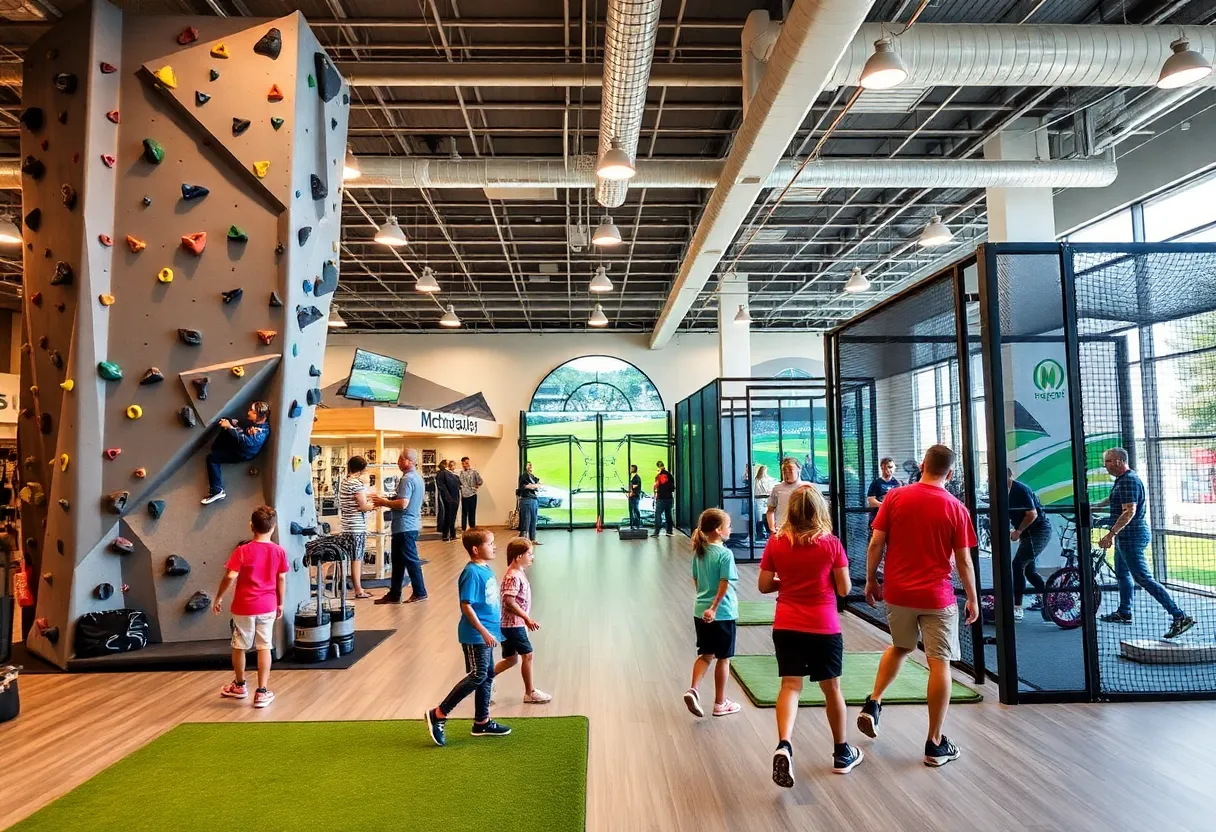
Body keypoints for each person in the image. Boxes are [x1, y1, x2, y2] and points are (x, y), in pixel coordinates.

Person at [859, 444, 979, 768]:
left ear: (922, 465)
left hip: (898, 593)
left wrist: (870, 580)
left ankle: (874, 702)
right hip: (937, 597)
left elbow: (876, 543)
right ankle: (934, 743)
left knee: (900, 647)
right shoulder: (957, 508)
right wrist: (972, 597)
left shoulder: (895, 497)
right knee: (939, 663)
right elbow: (964, 562)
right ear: (950, 474)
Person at [759, 486, 862, 787]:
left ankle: (784, 744)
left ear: (790, 512)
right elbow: (844, 589)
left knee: (790, 686)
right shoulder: (831, 544)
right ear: (820, 510)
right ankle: (841, 753)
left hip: (787, 625)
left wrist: (789, 582)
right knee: (832, 690)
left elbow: (764, 585)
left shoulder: (777, 542)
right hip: (823, 627)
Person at [1095, 448, 1194, 639]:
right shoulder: (1123, 480)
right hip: (1126, 536)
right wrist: (1096, 506)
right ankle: (1124, 612)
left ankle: (1179, 616)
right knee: (1122, 574)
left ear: (1119, 461)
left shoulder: (1129, 481)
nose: (1105, 465)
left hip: (1132, 537)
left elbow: (1129, 511)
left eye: (1107, 461)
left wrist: (1110, 534)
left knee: (1143, 578)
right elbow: (1116, 498)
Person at [425, 528, 511, 745]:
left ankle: (482, 722)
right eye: (489, 544)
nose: (494, 547)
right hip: (475, 635)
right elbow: (466, 605)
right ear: (475, 549)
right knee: (478, 674)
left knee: (487, 674)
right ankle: (439, 714)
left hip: (488, 633)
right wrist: (482, 631)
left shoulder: (486, 568)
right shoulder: (471, 573)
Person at [213, 506, 288, 708]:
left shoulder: (242, 551)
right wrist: (280, 602)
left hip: (243, 606)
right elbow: (281, 579)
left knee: (240, 645)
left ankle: (239, 686)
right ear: (273, 527)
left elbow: (230, 575)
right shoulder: (279, 551)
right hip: (268, 605)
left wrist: (218, 597)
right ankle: (262, 692)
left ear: (251, 526)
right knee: (264, 646)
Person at [682, 508, 741, 719]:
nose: (730, 529)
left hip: (700, 612)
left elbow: (696, 581)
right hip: (722, 614)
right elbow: (724, 583)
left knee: (706, 655)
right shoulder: (725, 554)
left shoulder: (699, 552)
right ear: (718, 530)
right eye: (728, 526)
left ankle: (693, 690)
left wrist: (705, 605)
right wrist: (714, 608)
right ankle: (720, 703)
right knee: (724, 658)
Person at [493, 538, 552, 704]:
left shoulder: (518, 573)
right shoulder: (512, 576)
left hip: (513, 624)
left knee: (511, 659)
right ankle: (530, 692)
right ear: (519, 556)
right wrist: (526, 618)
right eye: (529, 554)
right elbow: (509, 602)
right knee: (528, 655)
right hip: (513, 625)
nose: (532, 557)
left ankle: (485, 679)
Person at [373, 449, 428, 605]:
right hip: (407, 525)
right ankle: (395, 593)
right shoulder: (417, 478)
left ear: (409, 461)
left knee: (410, 560)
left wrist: (383, 502)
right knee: (397, 562)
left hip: (405, 526)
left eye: (401, 459)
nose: (398, 462)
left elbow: (403, 504)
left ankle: (420, 591)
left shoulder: (407, 479)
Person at [201, 402, 271, 505]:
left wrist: (231, 427)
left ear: (260, 416)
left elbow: (244, 441)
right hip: (241, 443)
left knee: (212, 458)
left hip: (242, 453)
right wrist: (234, 424)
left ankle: (217, 491)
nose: (248, 412)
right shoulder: (259, 423)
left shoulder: (259, 435)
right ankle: (217, 447)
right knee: (226, 421)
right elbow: (245, 427)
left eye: (252, 411)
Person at [1007, 468, 1052, 621]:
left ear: (1010, 476)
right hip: (1029, 533)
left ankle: (1017, 607)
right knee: (1029, 571)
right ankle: (1048, 602)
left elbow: (1032, 514)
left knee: (1018, 565)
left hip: (1038, 531)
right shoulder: (1004, 491)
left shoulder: (1020, 489)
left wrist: (1018, 531)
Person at [339, 456, 376, 599]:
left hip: (347, 525)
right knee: (357, 558)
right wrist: (375, 505)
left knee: (352, 557)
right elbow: (363, 506)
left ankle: (357, 588)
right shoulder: (356, 483)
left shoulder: (345, 482)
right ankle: (359, 590)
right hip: (356, 526)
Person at [766, 458, 808, 535]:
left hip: (803, 531)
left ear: (799, 470)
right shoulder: (777, 489)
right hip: (781, 530)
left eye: (790, 470)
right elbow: (770, 510)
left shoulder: (807, 488)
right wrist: (772, 528)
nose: (787, 473)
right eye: (784, 470)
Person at [866, 457, 900, 527]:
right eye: (888, 467)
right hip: (877, 518)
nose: (889, 470)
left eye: (891, 467)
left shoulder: (897, 483)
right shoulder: (876, 483)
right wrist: (885, 506)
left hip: (892, 519)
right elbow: (871, 501)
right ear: (882, 468)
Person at [516, 461, 542, 545]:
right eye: (528, 465)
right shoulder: (524, 476)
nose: (530, 466)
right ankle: (521, 541)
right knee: (526, 521)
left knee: (533, 521)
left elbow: (538, 484)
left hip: (533, 500)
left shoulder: (532, 476)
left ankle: (532, 539)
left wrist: (536, 485)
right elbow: (527, 486)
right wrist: (535, 486)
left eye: (531, 465)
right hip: (527, 500)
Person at [437, 459, 461, 542]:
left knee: (452, 516)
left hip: (454, 498)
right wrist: (448, 498)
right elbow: (442, 487)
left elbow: (458, 484)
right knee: (448, 516)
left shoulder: (452, 474)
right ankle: (446, 534)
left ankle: (452, 534)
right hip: (450, 498)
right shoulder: (443, 473)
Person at [459, 457, 484, 531]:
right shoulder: (460, 473)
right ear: (462, 463)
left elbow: (480, 481)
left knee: (472, 512)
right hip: (464, 495)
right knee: (464, 513)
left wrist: (476, 486)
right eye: (465, 463)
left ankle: (472, 528)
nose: (467, 464)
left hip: (472, 494)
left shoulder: (474, 472)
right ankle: (463, 529)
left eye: (468, 462)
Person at [652, 461, 676, 537]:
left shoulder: (660, 475)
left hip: (661, 498)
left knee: (658, 514)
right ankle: (669, 531)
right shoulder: (669, 475)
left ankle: (656, 532)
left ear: (658, 467)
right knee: (668, 514)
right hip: (669, 498)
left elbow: (657, 485)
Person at [753, 464, 776, 540]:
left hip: (762, 500)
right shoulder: (758, 480)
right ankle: (761, 533)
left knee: (763, 516)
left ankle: (764, 533)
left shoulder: (758, 480)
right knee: (761, 517)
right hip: (760, 500)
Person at [628, 464, 643, 529]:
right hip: (632, 497)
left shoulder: (637, 478)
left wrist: (631, 492)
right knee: (632, 510)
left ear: (633, 469)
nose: (630, 469)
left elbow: (634, 487)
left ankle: (637, 524)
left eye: (631, 468)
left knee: (636, 510)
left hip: (635, 497)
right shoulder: (633, 477)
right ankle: (633, 524)